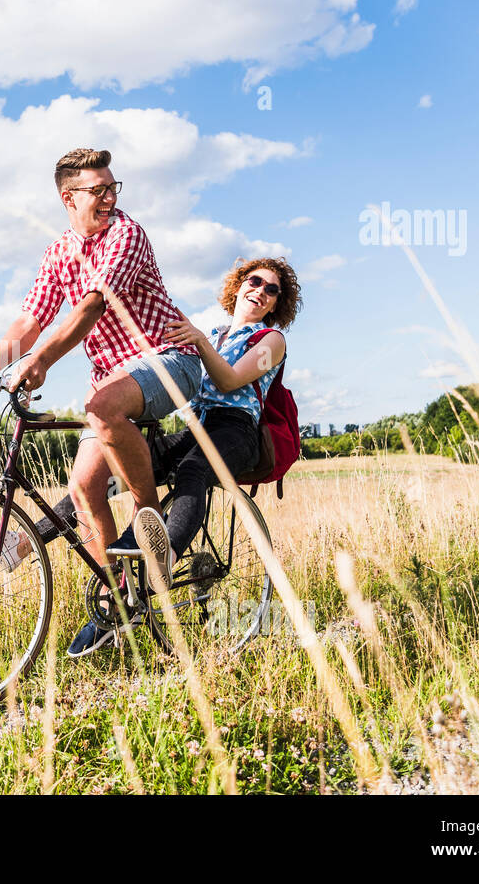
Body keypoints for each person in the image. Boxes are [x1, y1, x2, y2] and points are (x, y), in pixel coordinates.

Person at [0, 148, 203, 582]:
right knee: (84, 489)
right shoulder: (59, 252)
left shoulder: (127, 234)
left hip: (169, 360)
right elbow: (30, 322)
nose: (109, 198)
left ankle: (151, 524)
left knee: (100, 405)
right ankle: (118, 600)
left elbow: (92, 307)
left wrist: (43, 360)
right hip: (115, 379)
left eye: (112, 188)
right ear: (68, 197)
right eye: (98, 191)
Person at [36, 257, 302, 656]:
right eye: (254, 281)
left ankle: (160, 561)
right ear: (239, 285)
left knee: (194, 471)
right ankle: (28, 540)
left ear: (278, 303)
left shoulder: (271, 342)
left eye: (271, 289)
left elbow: (229, 381)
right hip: (194, 423)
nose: (260, 291)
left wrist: (197, 342)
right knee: (109, 473)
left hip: (235, 429)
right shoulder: (211, 329)